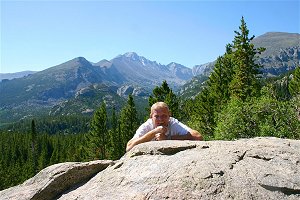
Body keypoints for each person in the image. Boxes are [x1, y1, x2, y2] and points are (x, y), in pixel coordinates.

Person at [126, 102, 203, 151]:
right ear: (151, 117)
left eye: (164, 116)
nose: (161, 120)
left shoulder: (173, 123)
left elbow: (198, 136)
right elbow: (129, 147)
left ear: (169, 115)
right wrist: (154, 132)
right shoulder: (146, 126)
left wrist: (168, 138)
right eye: (157, 116)